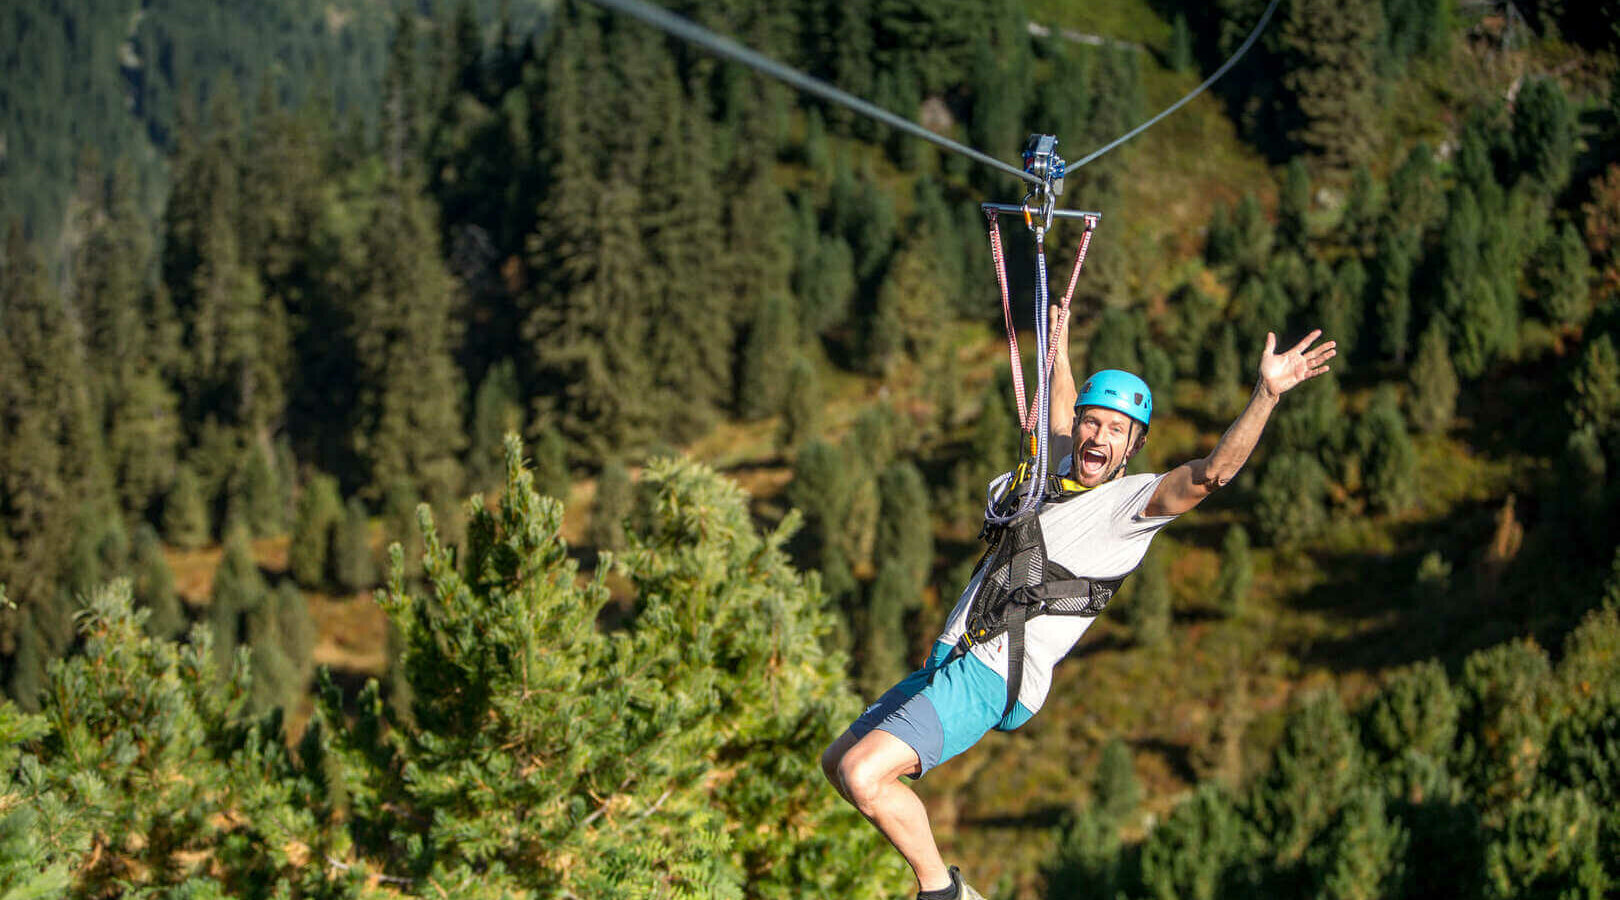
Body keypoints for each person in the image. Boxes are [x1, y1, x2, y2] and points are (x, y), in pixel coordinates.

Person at [819, 307, 1336, 900]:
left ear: (1133, 447)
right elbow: (1062, 410)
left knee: (865, 775)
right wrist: (1059, 350)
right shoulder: (1056, 469)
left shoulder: (1129, 508)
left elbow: (1212, 474)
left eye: (1118, 431)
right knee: (838, 762)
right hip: (951, 657)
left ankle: (945, 893)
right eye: (1094, 425)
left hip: (992, 673)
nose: (1099, 438)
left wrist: (1266, 395)